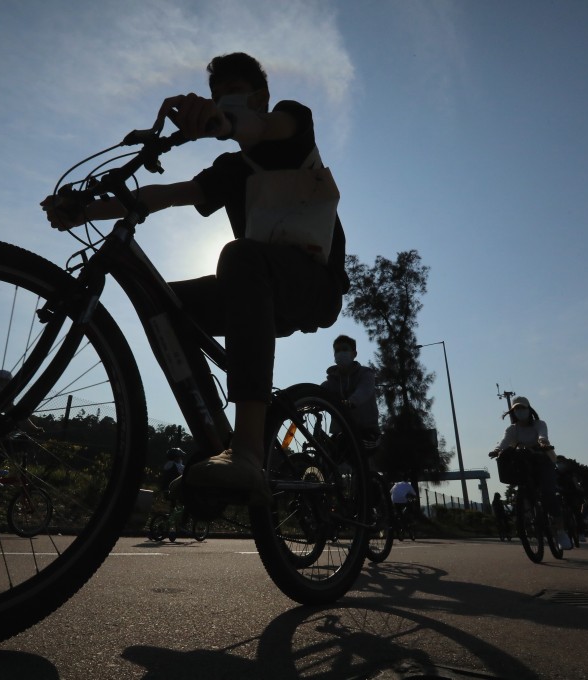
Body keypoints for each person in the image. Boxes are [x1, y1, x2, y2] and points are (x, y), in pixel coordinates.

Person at [42, 53, 348, 506]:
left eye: (233, 96)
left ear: (260, 98)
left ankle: (246, 450)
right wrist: (83, 210)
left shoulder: (291, 124)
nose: (223, 103)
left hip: (313, 286)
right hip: (257, 292)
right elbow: (164, 195)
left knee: (240, 257)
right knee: (165, 303)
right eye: (216, 97)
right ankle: (215, 440)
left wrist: (223, 121)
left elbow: (262, 128)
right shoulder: (233, 169)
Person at [488, 396, 573, 550]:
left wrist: (543, 442)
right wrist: (497, 450)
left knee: (548, 493)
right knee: (522, 491)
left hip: (543, 460)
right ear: (512, 412)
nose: (520, 412)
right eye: (516, 409)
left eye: (523, 408)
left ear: (529, 409)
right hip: (523, 462)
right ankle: (528, 515)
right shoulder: (512, 429)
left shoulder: (539, 424)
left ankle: (561, 532)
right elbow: (504, 441)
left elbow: (542, 435)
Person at [321, 334, 379, 440]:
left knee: (363, 450)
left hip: (366, 430)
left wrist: (351, 402)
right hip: (340, 431)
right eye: (337, 350)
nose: (340, 353)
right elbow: (319, 391)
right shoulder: (331, 381)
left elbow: (364, 390)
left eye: (344, 349)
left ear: (354, 353)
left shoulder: (366, 373)